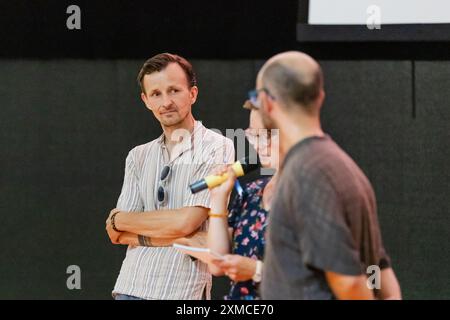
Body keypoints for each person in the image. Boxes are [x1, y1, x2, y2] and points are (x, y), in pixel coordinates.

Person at [255, 51, 401, 299]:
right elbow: (380, 270)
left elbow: (351, 285)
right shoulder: (342, 164)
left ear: (267, 103)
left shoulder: (307, 173)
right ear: (320, 97)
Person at [105, 53, 234, 300]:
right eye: (156, 94)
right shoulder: (138, 156)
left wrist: (127, 222)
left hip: (181, 291)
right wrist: (185, 236)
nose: (166, 102)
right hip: (129, 287)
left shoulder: (217, 146)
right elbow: (116, 232)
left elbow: (186, 221)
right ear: (146, 100)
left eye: (174, 90)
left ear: (192, 94)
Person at [206, 100, 280, 300]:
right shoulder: (251, 192)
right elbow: (215, 264)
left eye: (266, 135)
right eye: (253, 135)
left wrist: (256, 270)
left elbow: (320, 278)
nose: (259, 145)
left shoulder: (311, 194)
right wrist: (219, 198)